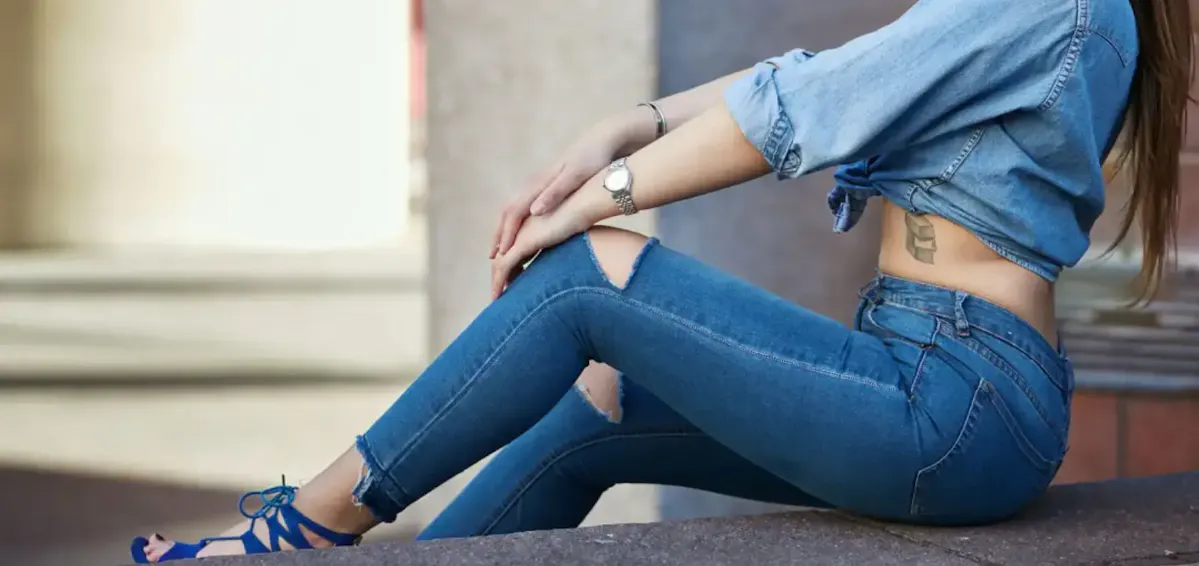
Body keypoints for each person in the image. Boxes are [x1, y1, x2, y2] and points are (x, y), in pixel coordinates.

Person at [132, 0, 1193, 561]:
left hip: (952, 400)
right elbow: (818, 76)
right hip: (952, 385)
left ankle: (305, 530)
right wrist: (629, 123)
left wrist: (601, 194)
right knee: (598, 408)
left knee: (588, 274)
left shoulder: (1038, 1)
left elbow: (805, 110)